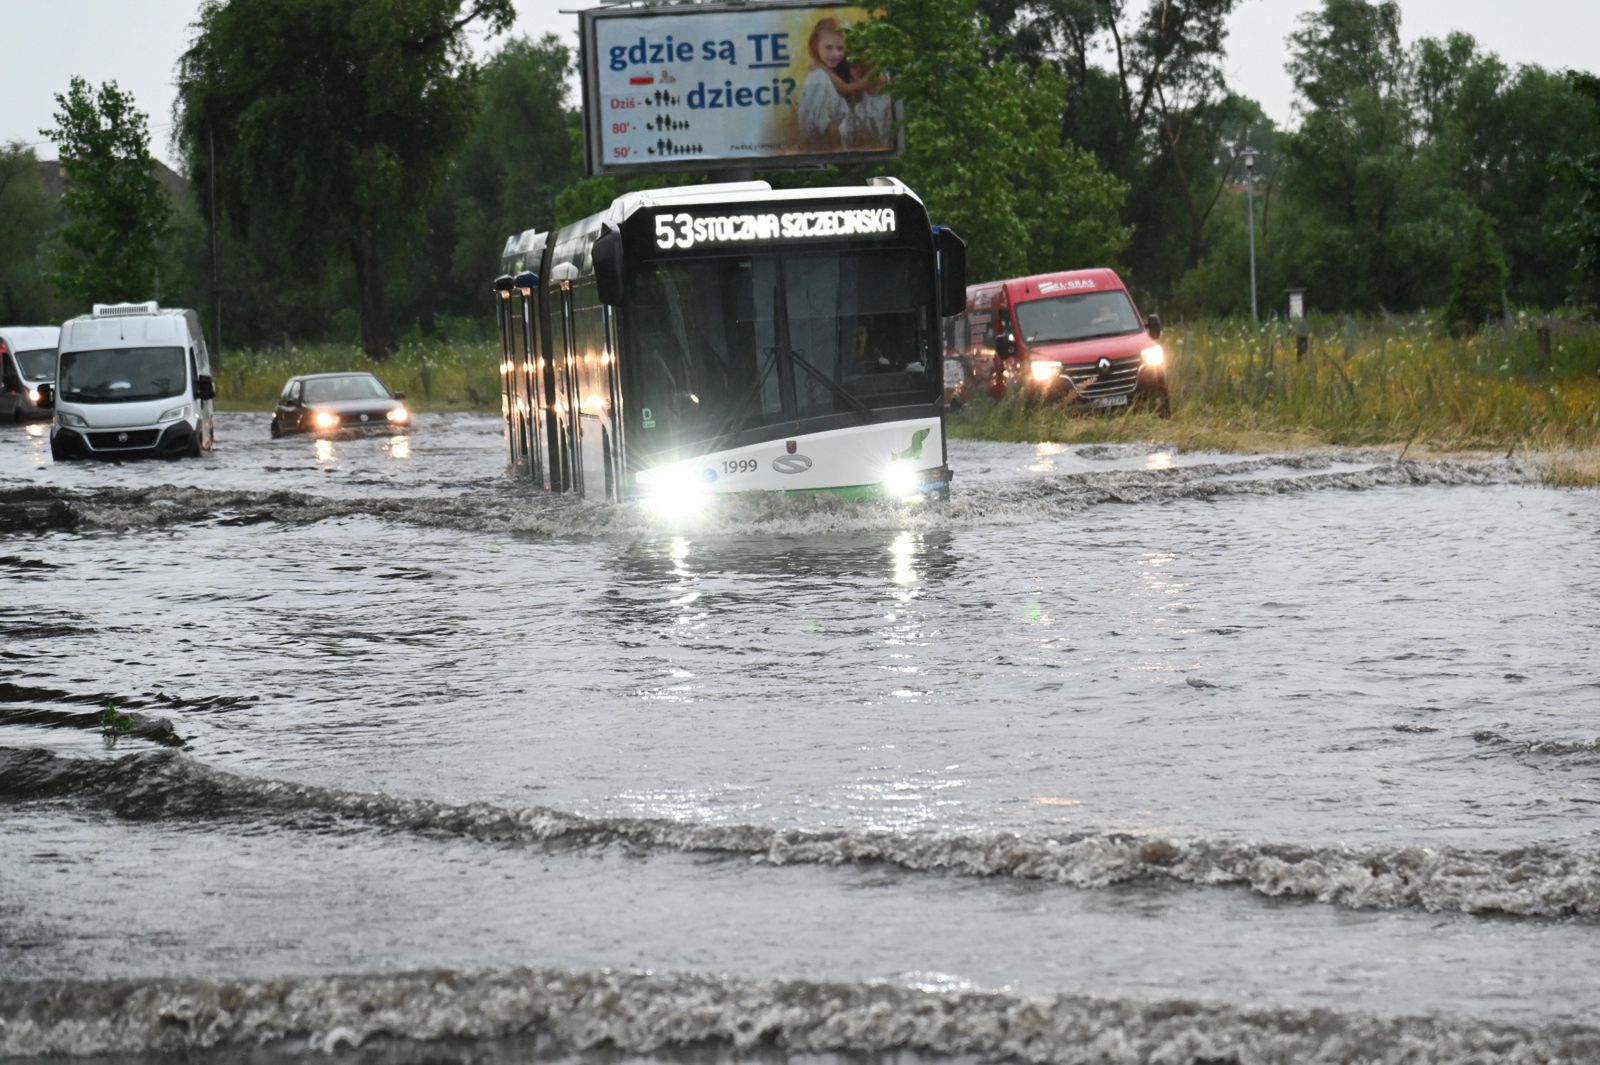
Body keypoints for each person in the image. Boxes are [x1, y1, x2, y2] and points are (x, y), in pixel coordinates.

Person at [797, 18, 891, 152]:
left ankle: (812, 141)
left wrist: (825, 69)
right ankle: (810, 139)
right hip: (860, 119)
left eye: (841, 48)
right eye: (859, 51)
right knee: (818, 79)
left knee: (836, 127)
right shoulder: (854, 67)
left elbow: (846, 89)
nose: (862, 56)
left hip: (875, 126)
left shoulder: (877, 75)